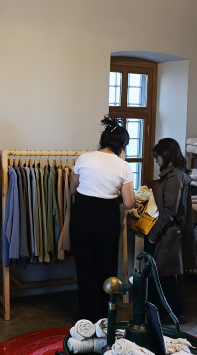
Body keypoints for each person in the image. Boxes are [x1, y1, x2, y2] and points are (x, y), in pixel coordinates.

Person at [69, 116, 135, 321]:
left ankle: (87, 318)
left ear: (102, 140)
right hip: (107, 217)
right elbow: (129, 203)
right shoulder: (123, 166)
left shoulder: (84, 158)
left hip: (82, 215)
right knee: (106, 268)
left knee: (84, 267)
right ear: (122, 146)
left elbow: (72, 189)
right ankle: (105, 317)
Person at [145, 138, 197, 324]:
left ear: (165, 155)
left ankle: (174, 314)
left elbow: (169, 210)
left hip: (168, 233)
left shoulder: (174, 176)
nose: (156, 160)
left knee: (163, 276)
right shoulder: (175, 174)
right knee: (161, 276)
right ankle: (164, 313)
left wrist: (153, 234)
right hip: (168, 232)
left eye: (157, 156)